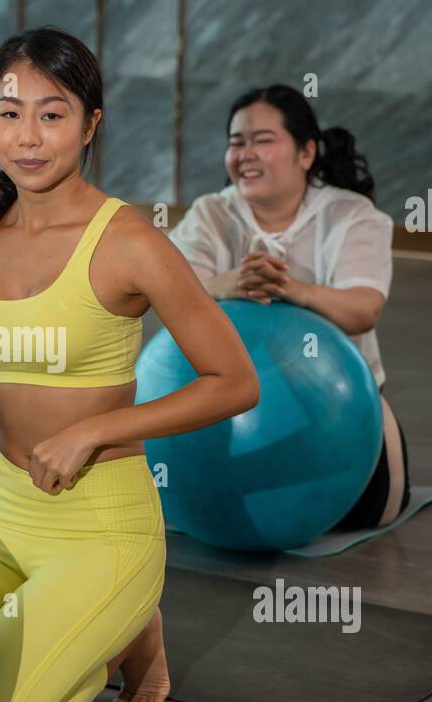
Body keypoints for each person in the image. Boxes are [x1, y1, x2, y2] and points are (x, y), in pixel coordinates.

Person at [0, 27, 258, 702]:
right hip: (5, 518)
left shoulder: (129, 242)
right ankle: (131, 639)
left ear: (90, 123)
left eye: (52, 113)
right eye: (10, 114)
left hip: (105, 526)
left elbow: (235, 381)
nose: (28, 138)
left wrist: (94, 430)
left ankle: (125, 618)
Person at [169, 83, 410, 531]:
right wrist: (227, 284)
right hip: (224, 412)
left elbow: (363, 309)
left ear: (306, 153)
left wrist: (289, 288)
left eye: (263, 140)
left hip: (337, 412)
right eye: (236, 142)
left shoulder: (351, 215)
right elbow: (164, 290)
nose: (246, 153)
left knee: (367, 516)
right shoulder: (211, 214)